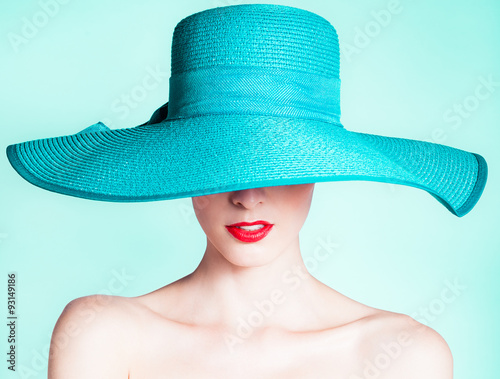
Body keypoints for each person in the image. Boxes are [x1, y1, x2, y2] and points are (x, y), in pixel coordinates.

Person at [5, 4, 486, 378]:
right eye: (219, 164)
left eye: (280, 165)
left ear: (322, 168)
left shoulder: (402, 354)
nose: (248, 197)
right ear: (181, 169)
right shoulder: (101, 333)